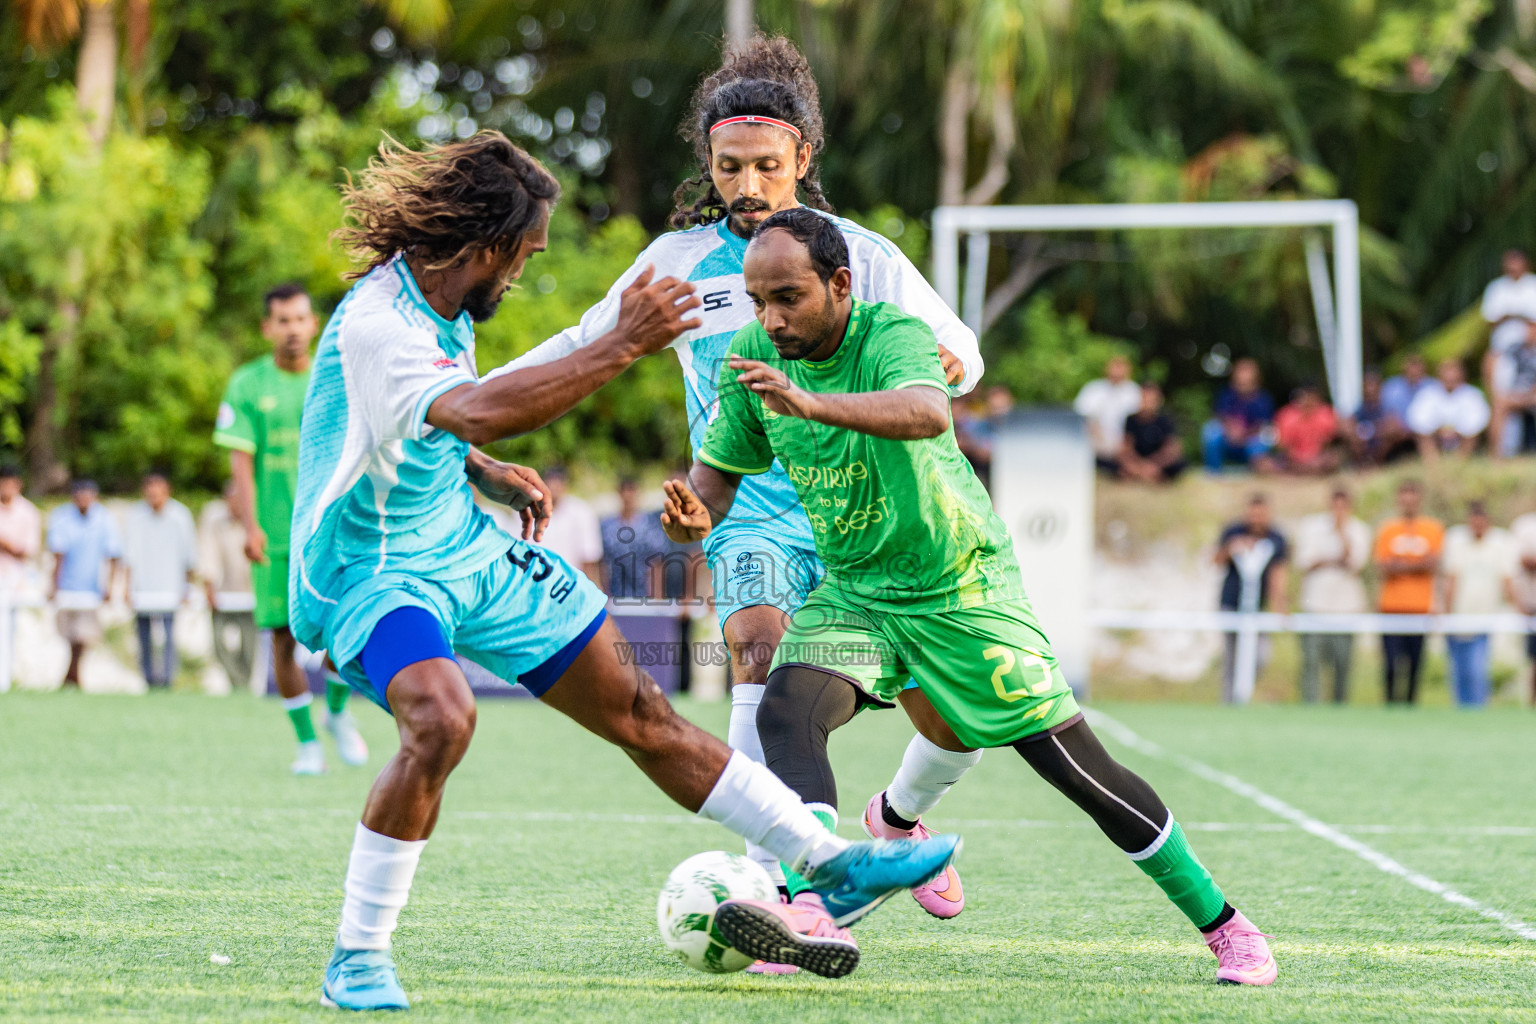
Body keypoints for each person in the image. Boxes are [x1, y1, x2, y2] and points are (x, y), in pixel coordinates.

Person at [294, 132, 958, 1009]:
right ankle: (359, 953)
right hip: (370, 573)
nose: (524, 271)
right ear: (484, 243)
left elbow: (424, 427)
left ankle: (826, 863)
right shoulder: (382, 323)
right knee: (442, 718)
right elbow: (481, 408)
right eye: (525, 254)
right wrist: (623, 345)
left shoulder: (442, 300)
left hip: (463, 546)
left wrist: (477, 470)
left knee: (641, 708)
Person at [662, 209, 1277, 985]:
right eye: (757, 301)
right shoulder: (753, 356)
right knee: (786, 709)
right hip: (856, 590)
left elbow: (924, 412)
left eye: (787, 297)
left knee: (1074, 768)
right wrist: (694, 515)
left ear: (840, 284)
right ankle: (812, 903)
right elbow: (717, 477)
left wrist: (813, 403)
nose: (770, 318)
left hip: (961, 583)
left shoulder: (892, 335)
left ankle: (1224, 924)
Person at [496, 34, 985, 939]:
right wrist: (475, 403)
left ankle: (900, 817)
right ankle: (784, 895)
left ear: (803, 158)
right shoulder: (678, 264)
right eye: (730, 167)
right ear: (709, 168)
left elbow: (962, 355)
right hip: (746, 513)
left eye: (768, 164)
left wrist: (943, 367)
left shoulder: (866, 259)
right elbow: (582, 345)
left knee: (960, 713)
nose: (749, 184)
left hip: (870, 520)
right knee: (756, 655)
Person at [215, 283, 367, 773]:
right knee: (282, 639)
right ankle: (306, 744)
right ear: (267, 328)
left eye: (301, 319)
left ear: (314, 324)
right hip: (276, 535)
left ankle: (338, 714)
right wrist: (251, 525)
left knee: (347, 633)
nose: (293, 329)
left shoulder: (338, 378)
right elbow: (242, 464)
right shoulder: (246, 383)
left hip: (335, 532)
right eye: (283, 320)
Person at [1293, 489, 1370, 703]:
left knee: (1342, 665)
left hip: (1345, 609)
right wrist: (1332, 560)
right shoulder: (1312, 527)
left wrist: (1341, 534)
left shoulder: (1358, 529)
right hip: (1316, 605)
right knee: (1311, 662)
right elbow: (1305, 562)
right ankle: (1310, 706)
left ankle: (1339, 707)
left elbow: (1355, 564)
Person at [122, 471, 197, 689]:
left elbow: (189, 556)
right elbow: (129, 555)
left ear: (167, 492)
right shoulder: (135, 516)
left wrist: (187, 587)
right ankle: (148, 679)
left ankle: (167, 679)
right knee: (143, 635)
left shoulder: (180, 516)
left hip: (171, 586)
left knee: (169, 636)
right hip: (142, 586)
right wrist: (127, 588)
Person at [1213, 495, 1289, 703]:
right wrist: (1232, 548)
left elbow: (1278, 574)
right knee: (1231, 658)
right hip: (1232, 603)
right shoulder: (1233, 531)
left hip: (1258, 607)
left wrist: (1280, 606)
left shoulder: (1276, 538)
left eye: (1261, 514)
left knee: (1261, 656)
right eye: (1253, 514)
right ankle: (1228, 703)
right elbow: (1216, 561)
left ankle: (1242, 693)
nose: (1256, 519)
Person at [1374, 480, 1443, 705]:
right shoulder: (1388, 529)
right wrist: (1417, 565)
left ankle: (1411, 707)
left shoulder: (1432, 529)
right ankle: (1390, 705)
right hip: (1391, 607)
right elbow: (1383, 567)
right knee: (1391, 664)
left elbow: (1434, 564)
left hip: (1420, 608)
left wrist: (1400, 565)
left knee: (1415, 665)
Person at [47, 480, 120, 690]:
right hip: (68, 587)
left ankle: (72, 676)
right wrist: (54, 585)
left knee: (83, 636)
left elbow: (113, 555)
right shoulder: (61, 517)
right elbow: (58, 555)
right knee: (69, 634)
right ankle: (72, 677)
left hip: (92, 589)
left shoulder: (104, 518)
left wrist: (109, 585)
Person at [1441, 502, 1515, 708]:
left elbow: (1506, 579)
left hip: (1484, 617)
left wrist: (1517, 609)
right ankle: (1462, 710)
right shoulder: (1456, 541)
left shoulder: (1499, 544)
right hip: (1458, 617)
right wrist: (1446, 613)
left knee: (1476, 668)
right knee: (1459, 669)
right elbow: (1451, 579)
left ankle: (1478, 708)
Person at [200, 481, 258, 692]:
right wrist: (209, 587)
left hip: (251, 594)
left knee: (250, 647)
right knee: (218, 644)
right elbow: (209, 553)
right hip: (223, 593)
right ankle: (238, 682)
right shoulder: (214, 518)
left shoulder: (257, 520)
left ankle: (243, 685)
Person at [1481, 249, 1536, 454]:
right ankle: (1497, 456)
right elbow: (1491, 320)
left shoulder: (1533, 285)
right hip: (1506, 358)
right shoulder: (1496, 288)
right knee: (1500, 404)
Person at [0, 465, 41, 693]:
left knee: (8, 631)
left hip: (14, 581)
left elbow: (27, 550)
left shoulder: (28, 512)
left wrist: (4, 542)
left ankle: (5, 679)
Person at [1201, 358, 1275, 473]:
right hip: (1228, 437)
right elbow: (1221, 416)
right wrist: (1231, 430)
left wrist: (1243, 434)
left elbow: (1263, 425)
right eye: (1241, 370)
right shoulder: (1226, 394)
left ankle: (1259, 468)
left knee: (1268, 435)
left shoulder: (1263, 398)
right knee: (1211, 430)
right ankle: (1213, 472)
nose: (1243, 375)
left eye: (1247, 371)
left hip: (1250, 439)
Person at [1407, 359, 1490, 460]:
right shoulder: (1427, 394)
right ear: (1439, 377)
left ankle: (1461, 462)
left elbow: (1478, 420)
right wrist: (1437, 430)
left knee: (1472, 435)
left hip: (1463, 436)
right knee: (1424, 437)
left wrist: (1459, 431)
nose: (1450, 382)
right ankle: (1432, 464)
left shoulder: (1473, 394)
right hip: (1435, 437)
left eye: (1453, 379)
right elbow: (1418, 419)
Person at [535, 466, 603, 588]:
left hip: (572, 586)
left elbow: (589, 558)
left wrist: (589, 591)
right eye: (550, 481)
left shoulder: (582, 512)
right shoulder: (528, 512)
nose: (554, 486)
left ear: (565, 484)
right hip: (537, 585)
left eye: (558, 481)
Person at [1074, 354, 1142, 472]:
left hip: (1126, 446)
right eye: (1115, 366)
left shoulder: (1134, 391)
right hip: (1098, 443)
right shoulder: (1093, 389)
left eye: (1121, 367)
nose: (1117, 371)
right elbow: (1085, 419)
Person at [1107, 381, 1185, 482]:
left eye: (1151, 399)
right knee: (1108, 463)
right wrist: (1136, 466)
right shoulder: (1131, 419)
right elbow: (1125, 447)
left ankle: (1143, 476)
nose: (1148, 402)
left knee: (1180, 465)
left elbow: (1171, 448)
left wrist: (1153, 465)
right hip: (1136, 461)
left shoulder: (1165, 420)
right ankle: (1147, 477)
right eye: (1145, 398)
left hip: (1157, 463)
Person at [1344, 370, 1414, 466]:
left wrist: (1373, 431)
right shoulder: (1362, 408)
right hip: (1368, 443)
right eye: (1367, 385)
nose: (1369, 389)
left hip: (1387, 446)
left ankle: (1374, 464)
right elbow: (1350, 421)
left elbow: (1395, 425)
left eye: (1372, 385)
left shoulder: (1388, 404)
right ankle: (1362, 464)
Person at [1489, 322, 1536, 457]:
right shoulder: (1515, 349)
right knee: (1499, 405)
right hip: (1518, 394)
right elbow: (1496, 359)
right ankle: (1496, 455)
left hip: (1533, 394)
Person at [1273, 384, 1340, 474]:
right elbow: (1283, 446)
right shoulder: (1286, 416)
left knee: (1334, 460)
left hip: (1319, 459)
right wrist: (1301, 460)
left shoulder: (1325, 414)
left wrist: (1315, 459)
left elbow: (1329, 443)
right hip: (1293, 461)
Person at [1509, 507, 1536, 704]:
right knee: (1533, 658)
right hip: (1531, 603)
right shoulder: (1525, 525)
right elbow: (1521, 560)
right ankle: (1531, 701)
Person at [1381, 353, 1430, 428]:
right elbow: (1386, 412)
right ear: (1403, 367)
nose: (1414, 370)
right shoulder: (1391, 387)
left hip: (1426, 432)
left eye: (1417, 365)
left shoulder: (1432, 386)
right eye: (1411, 365)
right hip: (1398, 432)